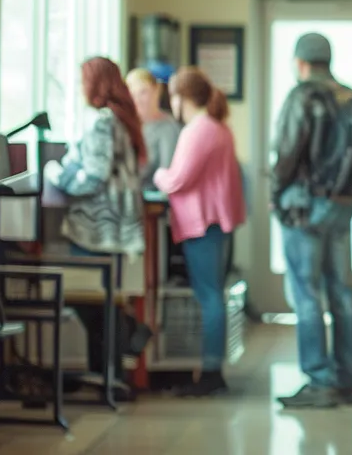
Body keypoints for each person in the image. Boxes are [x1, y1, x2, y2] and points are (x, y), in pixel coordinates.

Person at [45, 57, 153, 389]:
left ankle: (117, 356)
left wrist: (56, 174)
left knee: (88, 299)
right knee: (102, 301)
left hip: (96, 226)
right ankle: (108, 375)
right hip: (117, 226)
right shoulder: (122, 119)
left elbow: (93, 175)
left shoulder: (101, 122)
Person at [270, 33, 352, 409]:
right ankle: (346, 378)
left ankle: (319, 380)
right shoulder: (351, 98)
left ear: (301, 63)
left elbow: (288, 151)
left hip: (304, 206)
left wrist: (275, 192)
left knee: (306, 294)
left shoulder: (302, 96)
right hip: (341, 205)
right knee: (342, 292)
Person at [152, 66, 245, 397]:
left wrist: (158, 174)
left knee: (208, 296)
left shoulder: (198, 130)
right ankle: (211, 368)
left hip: (201, 223)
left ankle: (210, 371)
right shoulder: (218, 128)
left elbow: (177, 179)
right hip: (216, 222)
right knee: (213, 294)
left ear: (181, 98)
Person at [127, 67, 181, 190]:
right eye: (132, 94)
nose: (138, 100)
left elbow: (168, 174)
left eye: (143, 92)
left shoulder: (168, 128)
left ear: (157, 90)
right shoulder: (125, 125)